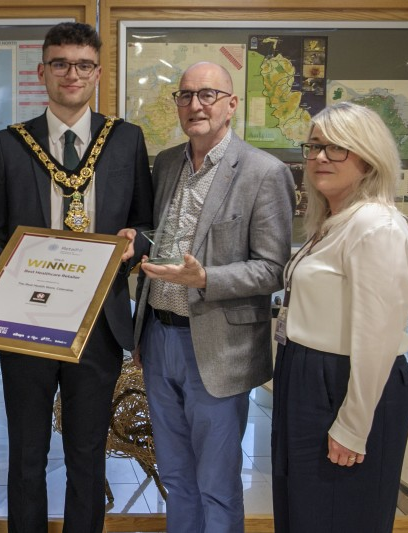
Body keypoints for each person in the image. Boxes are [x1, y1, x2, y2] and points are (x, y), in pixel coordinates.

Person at [0, 21, 153, 533]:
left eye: (82, 65)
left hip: (97, 321)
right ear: (42, 72)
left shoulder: (125, 140)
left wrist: (135, 243)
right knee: (27, 453)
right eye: (60, 63)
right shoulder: (10, 145)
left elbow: (147, 224)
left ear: (97, 73)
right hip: (26, 319)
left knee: (87, 451)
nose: (70, 74)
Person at [132, 61, 295, 533]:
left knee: (217, 484)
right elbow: (161, 236)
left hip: (217, 349)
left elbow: (272, 269)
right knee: (177, 477)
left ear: (231, 104)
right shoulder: (165, 164)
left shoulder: (264, 173)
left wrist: (207, 279)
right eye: (185, 95)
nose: (195, 105)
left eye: (207, 94)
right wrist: (136, 239)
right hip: (160, 341)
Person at [271, 102, 408, 532]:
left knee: (340, 514)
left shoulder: (378, 227)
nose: (320, 157)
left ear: (367, 157)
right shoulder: (336, 221)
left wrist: (354, 426)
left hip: (346, 384)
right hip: (305, 376)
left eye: (338, 148)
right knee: (304, 510)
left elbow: (376, 338)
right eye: (315, 146)